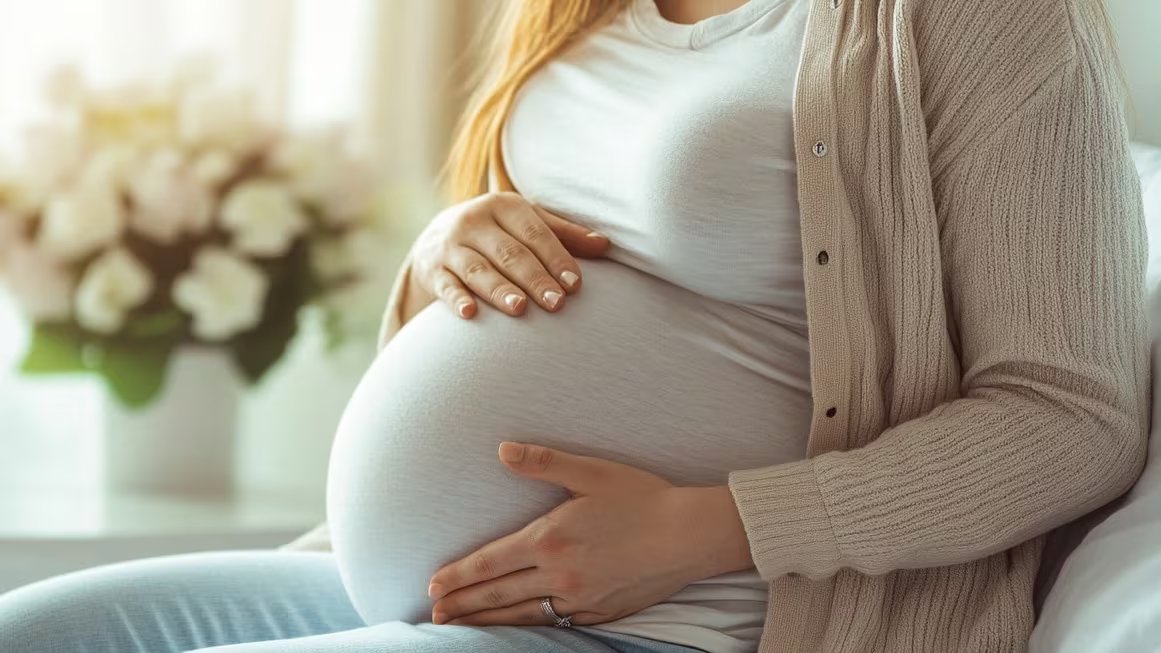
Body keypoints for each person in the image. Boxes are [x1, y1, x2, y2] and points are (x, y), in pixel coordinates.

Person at [0, 0, 1150, 651]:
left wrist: (711, 529)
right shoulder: (570, 9)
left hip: (691, 627)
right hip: (437, 588)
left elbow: (1070, 415)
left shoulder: (983, 18)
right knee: (36, 630)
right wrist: (445, 246)